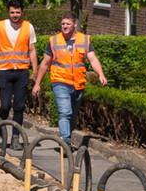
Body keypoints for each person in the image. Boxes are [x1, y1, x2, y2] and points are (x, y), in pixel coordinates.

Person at [32, 15, 108, 144]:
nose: (65, 26)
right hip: (60, 81)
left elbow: (93, 59)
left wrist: (100, 73)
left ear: (74, 24)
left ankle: (67, 137)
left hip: (78, 83)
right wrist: (37, 84)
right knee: (64, 112)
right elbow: (45, 63)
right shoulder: (54, 41)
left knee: (72, 115)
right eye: (63, 24)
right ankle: (65, 141)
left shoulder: (84, 40)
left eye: (67, 24)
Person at [0, 2, 39, 128]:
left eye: (17, 12)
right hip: (4, 72)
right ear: (8, 13)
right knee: (5, 105)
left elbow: (32, 50)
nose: (15, 15)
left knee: (19, 106)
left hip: (22, 72)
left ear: (22, 12)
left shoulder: (28, 27)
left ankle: (16, 136)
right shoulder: (0, 26)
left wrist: (35, 72)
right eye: (12, 12)